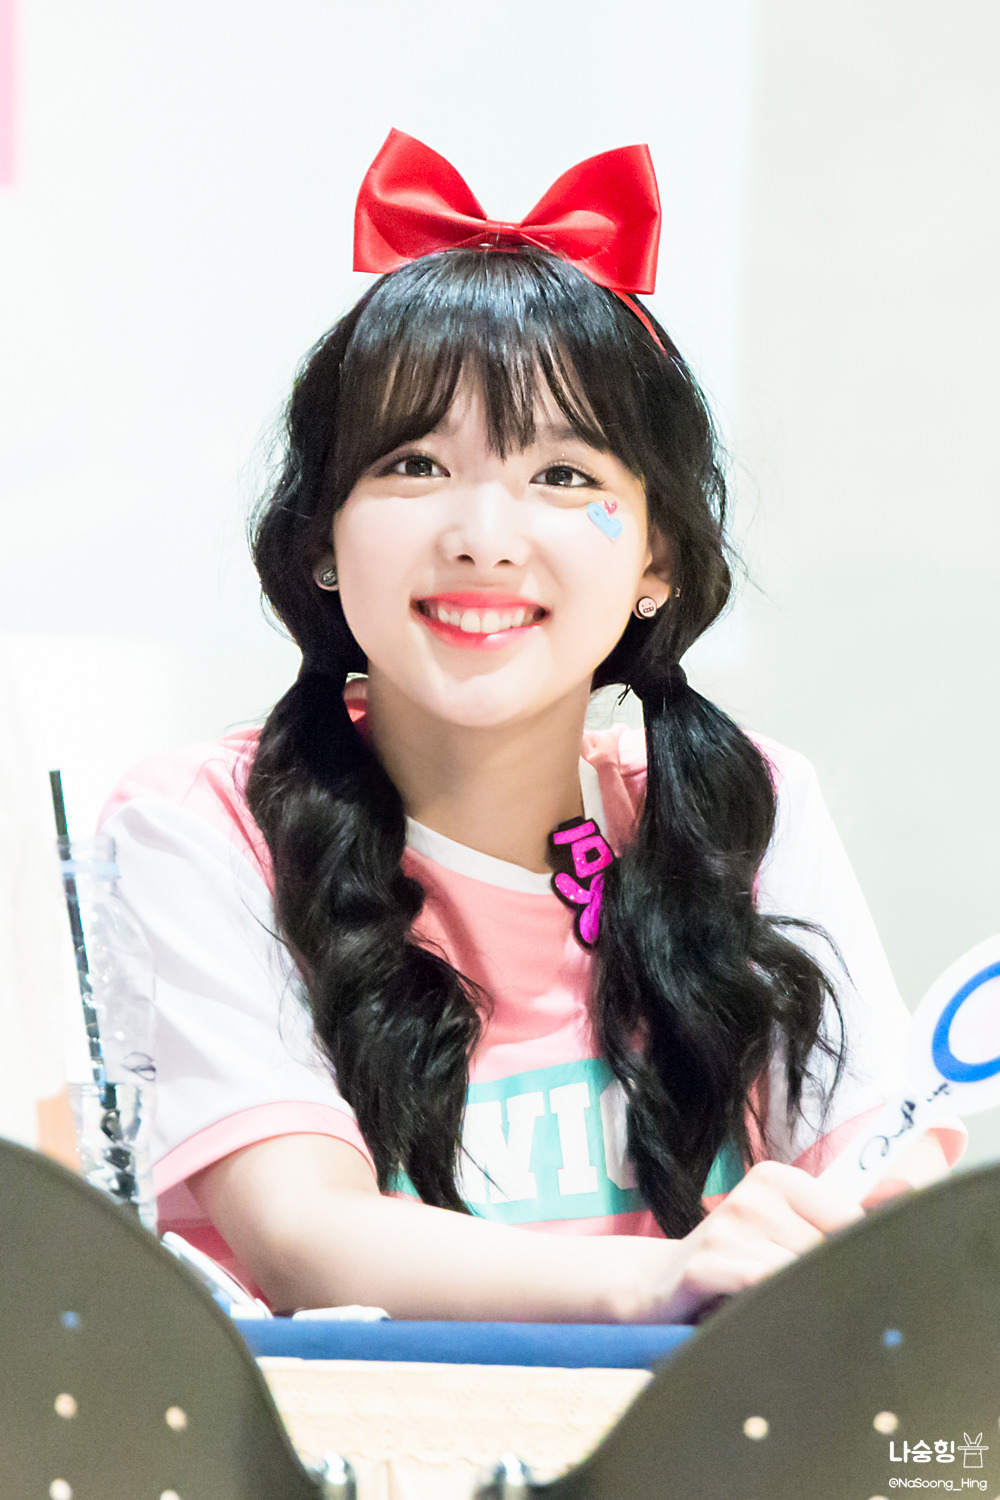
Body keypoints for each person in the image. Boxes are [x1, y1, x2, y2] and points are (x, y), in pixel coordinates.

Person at [100, 133, 963, 1321]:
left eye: (564, 477)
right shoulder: (204, 824)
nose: (484, 538)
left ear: (656, 557)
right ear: (321, 541)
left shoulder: (746, 809)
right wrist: (661, 1275)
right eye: (415, 465)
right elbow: (305, 1239)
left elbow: (871, 1202)